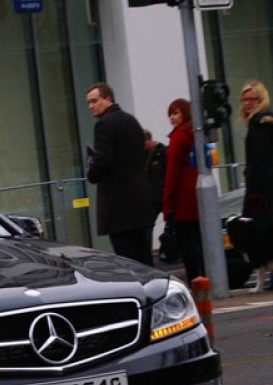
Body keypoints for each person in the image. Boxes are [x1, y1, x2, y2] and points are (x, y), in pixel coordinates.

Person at [84, 82, 153, 265]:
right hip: (140, 200)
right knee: (144, 256)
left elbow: (104, 159)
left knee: (128, 259)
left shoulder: (104, 124)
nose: (91, 106)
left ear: (108, 99)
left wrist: (91, 173)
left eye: (94, 101)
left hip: (119, 205)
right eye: (88, 103)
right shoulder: (131, 120)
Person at [239, 80, 273, 289]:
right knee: (270, 229)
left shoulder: (258, 124)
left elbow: (258, 158)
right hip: (270, 181)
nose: (247, 103)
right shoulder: (268, 124)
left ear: (261, 100)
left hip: (259, 186)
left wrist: (251, 178)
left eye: (252, 99)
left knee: (258, 231)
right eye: (244, 99)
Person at [162, 98, 204, 281]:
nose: (172, 117)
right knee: (199, 243)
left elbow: (172, 173)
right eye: (170, 114)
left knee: (188, 247)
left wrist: (167, 204)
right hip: (197, 197)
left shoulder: (178, 137)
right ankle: (204, 278)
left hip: (182, 202)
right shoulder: (195, 134)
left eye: (176, 113)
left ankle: (196, 281)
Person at [143, 130, 169, 261]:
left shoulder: (162, 152)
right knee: (147, 227)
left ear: (148, 140)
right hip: (151, 198)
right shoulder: (143, 155)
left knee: (171, 226)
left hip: (162, 194)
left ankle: (171, 251)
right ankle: (147, 254)